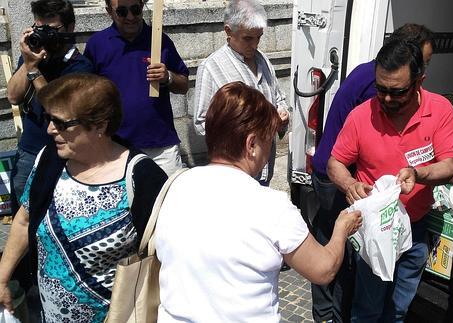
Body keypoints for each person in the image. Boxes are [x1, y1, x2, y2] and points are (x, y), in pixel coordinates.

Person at [155, 81, 362, 322]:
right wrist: (341, 229)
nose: (269, 150)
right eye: (268, 140)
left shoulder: (177, 185)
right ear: (251, 144)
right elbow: (323, 269)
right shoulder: (271, 206)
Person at [0, 74, 167, 322]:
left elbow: (168, 260)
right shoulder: (50, 160)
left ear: (100, 125)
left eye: (60, 122)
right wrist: (2, 278)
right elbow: (24, 220)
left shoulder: (142, 179)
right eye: (48, 118)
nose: (50, 129)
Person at [327, 38, 453, 322]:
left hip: (415, 229)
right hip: (374, 233)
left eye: (397, 92)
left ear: (419, 81)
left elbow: (450, 167)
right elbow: (335, 162)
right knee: (367, 309)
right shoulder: (362, 115)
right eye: (381, 89)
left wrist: (419, 173)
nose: (386, 99)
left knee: (398, 309)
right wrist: (349, 184)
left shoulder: (441, 110)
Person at [309, 23, 434, 323]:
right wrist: (354, 181)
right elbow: (366, 137)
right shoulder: (380, 84)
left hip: (330, 166)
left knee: (332, 238)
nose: (389, 98)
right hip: (334, 173)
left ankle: (325, 312)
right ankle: (333, 315)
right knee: (344, 251)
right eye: (425, 60)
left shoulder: (369, 71)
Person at [6, 0, 94, 292]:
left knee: (58, 221)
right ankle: (29, 280)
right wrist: (28, 63)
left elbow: (59, 108)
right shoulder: (34, 54)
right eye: (40, 28)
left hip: (64, 155)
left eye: (53, 29)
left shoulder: (80, 65)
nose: (45, 36)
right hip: (31, 150)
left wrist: (35, 73)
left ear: (70, 28)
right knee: (25, 220)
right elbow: (14, 96)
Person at [84, 0, 189, 176]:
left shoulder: (159, 40)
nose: (131, 17)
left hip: (161, 146)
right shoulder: (97, 45)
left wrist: (168, 77)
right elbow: (85, 94)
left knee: (167, 200)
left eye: (135, 9)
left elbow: (183, 85)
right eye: (122, 12)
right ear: (109, 11)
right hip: (116, 146)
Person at [193, 0, 290, 186]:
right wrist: (245, 129)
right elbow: (201, 122)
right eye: (248, 38)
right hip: (234, 174)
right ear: (228, 32)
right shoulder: (211, 67)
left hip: (264, 168)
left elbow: (278, 97)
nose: (254, 45)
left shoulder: (263, 61)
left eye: (259, 38)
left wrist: (281, 114)